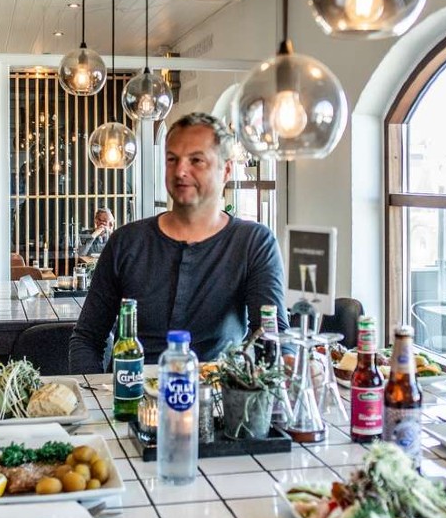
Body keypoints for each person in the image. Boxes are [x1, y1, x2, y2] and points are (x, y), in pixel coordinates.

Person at [68, 113, 287, 372]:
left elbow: (271, 334)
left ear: (226, 170)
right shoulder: (126, 242)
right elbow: (87, 339)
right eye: (172, 159)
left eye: (196, 160)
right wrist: (97, 396)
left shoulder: (254, 243)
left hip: (217, 396)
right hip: (129, 397)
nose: (181, 171)